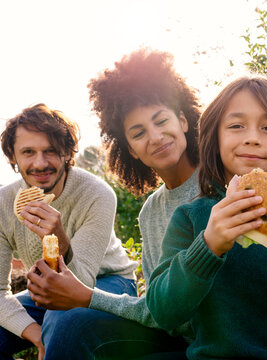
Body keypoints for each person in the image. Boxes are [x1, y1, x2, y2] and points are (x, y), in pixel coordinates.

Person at [146, 74, 267, 359]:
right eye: (236, 125)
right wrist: (208, 247)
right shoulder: (191, 217)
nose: (252, 138)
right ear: (214, 137)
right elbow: (164, 312)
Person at [26, 48, 200, 359]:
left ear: (184, 120)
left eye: (162, 121)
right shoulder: (151, 211)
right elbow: (157, 310)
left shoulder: (219, 187)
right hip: (174, 337)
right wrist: (84, 299)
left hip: (214, 344)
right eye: (139, 133)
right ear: (131, 150)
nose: (156, 137)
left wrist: (86, 295)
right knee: (71, 324)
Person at [0, 103, 138, 360]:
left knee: (62, 318)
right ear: (13, 156)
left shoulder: (96, 194)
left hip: (109, 282)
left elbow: (83, 281)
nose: (39, 163)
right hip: (49, 295)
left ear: (67, 152)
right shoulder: (0, 205)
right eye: (28, 152)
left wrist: (59, 241)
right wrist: (36, 334)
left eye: (50, 151)